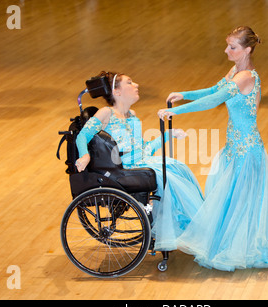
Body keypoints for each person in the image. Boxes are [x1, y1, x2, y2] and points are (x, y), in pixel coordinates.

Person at [158, 26, 268, 271]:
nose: (227, 50)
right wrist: (184, 94)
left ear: (246, 50)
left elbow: (215, 101)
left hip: (247, 148)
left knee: (242, 200)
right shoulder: (236, 70)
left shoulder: (245, 77)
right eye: (227, 45)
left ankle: (243, 247)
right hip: (235, 145)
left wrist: (176, 111)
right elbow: (214, 91)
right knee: (233, 198)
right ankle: (231, 241)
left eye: (232, 47)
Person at [75, 71, 204, 251]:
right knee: (170, 176)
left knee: (178, 167)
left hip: (142, 160)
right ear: (117, 92)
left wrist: (167, 135)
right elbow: (82, 136)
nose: (136, 85)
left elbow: (144, 149)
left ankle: (190, 228)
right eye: (129, 83)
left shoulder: (132, 115)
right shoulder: (106, 113)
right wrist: (85, 155)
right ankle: (188, 229)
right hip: (124, 168)